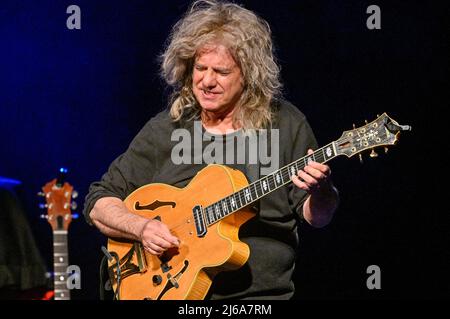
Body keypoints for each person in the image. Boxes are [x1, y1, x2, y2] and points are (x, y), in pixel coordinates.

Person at [83, 0, 339, 300]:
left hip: (259, 299)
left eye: (221, 71)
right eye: (200, 68)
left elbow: (317, 217)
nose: (206, 81)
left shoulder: (286, 124)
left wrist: (322, 190)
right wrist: (141, 228)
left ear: (248, 75)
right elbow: (99, 202)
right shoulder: (168, 128)